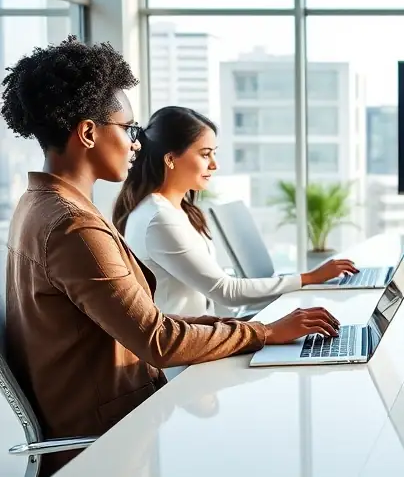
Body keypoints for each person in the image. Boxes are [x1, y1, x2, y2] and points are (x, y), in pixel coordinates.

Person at [0, 37, 341, 477]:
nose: (135, 143)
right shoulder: (72, 226)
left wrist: (248, 330)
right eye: (128, 128)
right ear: (88, 133)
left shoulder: (38, 204)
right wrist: (263, 332)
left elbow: (147, 321)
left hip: (114, 416)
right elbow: (158, 341)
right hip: (113, 439)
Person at [113, 106, 358, 318]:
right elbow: (225, 291)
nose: (214, 164)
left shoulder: (176, 210)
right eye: (205, 154)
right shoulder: (159, 219)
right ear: (171, 159)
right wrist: (308, 278)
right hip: (183, 361)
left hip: (201, 337)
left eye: (214, 153)